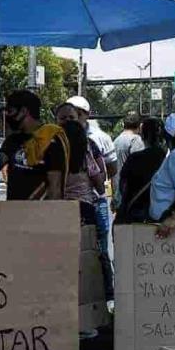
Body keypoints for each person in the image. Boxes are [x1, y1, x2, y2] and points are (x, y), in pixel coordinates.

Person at [66, 96, 117, 264]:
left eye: (74, 115)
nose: (70, 120)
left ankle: (105, 287)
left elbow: (110, 168)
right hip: (68, 205)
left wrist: (91, 181)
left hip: (94, 202)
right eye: (65, 116)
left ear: (85, 115)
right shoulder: (56, 139)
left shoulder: (98, 139)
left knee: (100, 248)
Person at [0, 90, 68, 201]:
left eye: (10, 111)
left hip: (39, 210)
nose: (8, 116)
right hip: (14, 210)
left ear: (24, 111)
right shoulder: (12, 140)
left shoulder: (49, 140)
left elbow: (55, 185)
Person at [56, 103, 106, 225]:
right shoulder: (86, 152)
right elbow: (100, 187)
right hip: (83, 208)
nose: (68, 121)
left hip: (58, 209)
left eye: (71, 118)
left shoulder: (50, 147)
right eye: (63, 118)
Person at [115, 118, 166, 224]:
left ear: (142, 135)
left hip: (135, 213)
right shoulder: (168, 159)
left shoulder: (134, 158)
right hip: (162, 215)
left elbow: (123, 184)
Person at [112, 113, 144, 208]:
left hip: (117, 190)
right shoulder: (136, 140)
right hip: (131, 193)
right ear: (140, 125)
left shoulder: (116, 140)